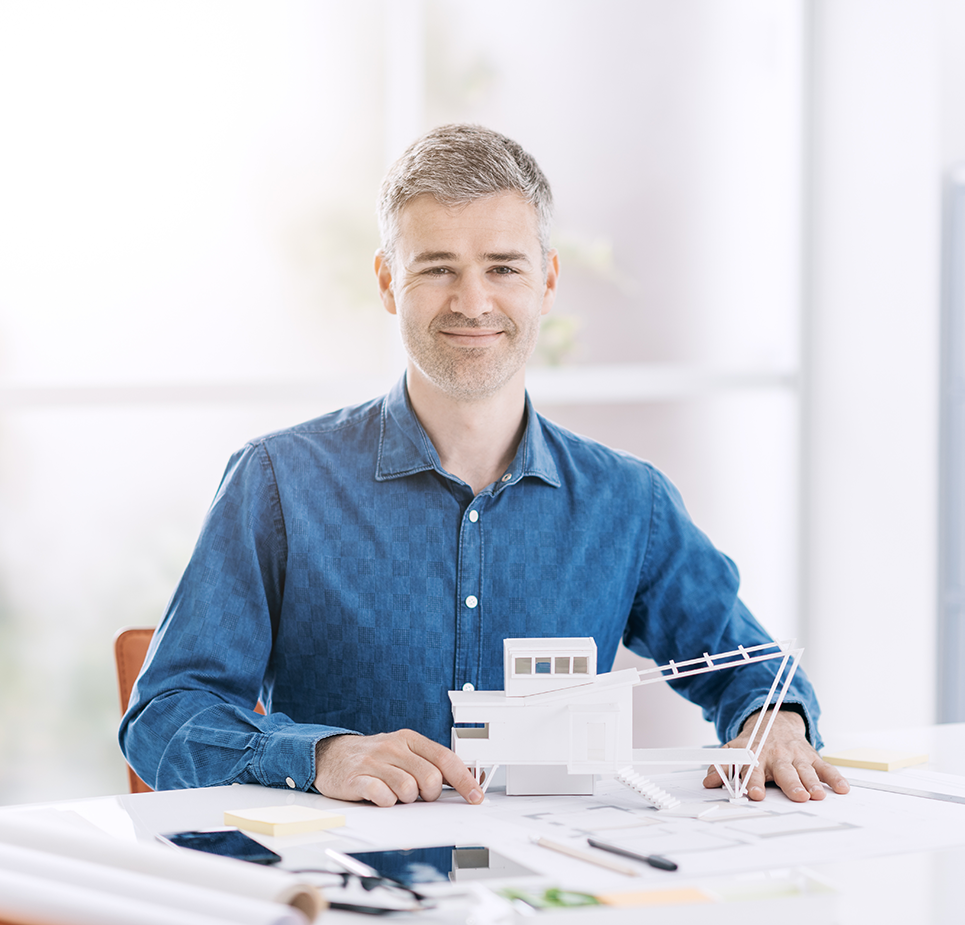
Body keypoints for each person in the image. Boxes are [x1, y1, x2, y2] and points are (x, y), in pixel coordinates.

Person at [120, 124, 849, 809]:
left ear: (547, 281)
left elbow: (755, 672)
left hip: (559, 882)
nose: (473, 302)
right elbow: (162, 718)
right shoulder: (276, 483)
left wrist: (774, 721)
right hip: (349, 890)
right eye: (437, 268)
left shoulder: (628, 503)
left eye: (503, 267)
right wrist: (319, 754)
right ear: (385, 281)